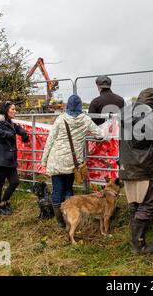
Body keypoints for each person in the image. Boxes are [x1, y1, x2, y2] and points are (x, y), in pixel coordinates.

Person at [119, 88, 153, 255]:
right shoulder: (151, 115)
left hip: (127, 166)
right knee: (146, 205)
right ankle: (138, 246)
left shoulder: (124, 113)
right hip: (146, 166)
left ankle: (135, 242)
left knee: (134, 203)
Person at [41, 95, 104, 228]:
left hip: (56, 160)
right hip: (72, 163)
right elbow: (100, 135)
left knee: (57, 190)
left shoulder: (60, 119)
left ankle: (60, 222)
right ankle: (70, 219)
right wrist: (86, 136)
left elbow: (50, 140)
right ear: (81, 106)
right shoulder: (86, 120)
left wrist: (44, 160)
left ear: (67, 105)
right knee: (68, 188)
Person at [0, 101, 29, 216]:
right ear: (6, 110)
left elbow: (18, 128)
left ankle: (4, 202)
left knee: (15, 182)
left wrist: (24, 133)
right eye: (13, 109)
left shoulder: (9, 122)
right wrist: (10, 134)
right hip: (1, 158)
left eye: (15, 109)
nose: (15, 111)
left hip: (10, 158)